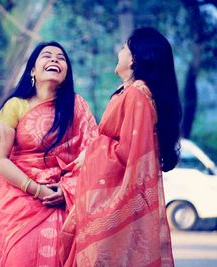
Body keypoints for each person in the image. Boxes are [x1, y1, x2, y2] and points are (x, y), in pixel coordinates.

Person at [59, 27, 181, 266]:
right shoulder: (133, 93)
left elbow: (130, 153)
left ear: (135, 58)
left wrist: (92, 153)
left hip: (116, 199)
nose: (119, 51)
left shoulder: (137, 95)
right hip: (113, 192)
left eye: (124, 47)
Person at [0, 41, 98, 267]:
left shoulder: (77, 107)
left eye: (61, 58)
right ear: (33, 70)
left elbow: (93, 153)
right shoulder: (15, 106)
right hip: (18, 201)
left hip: (63, 200)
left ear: (66, 72)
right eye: (47, 56)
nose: (55, 59)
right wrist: (38, 190)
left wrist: (67, 190)